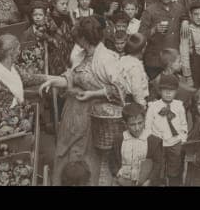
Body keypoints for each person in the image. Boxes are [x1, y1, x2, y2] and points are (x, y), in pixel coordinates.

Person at [41, 16, 128, 186]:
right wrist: (53, 81)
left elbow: (120, 90)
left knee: (86, 153)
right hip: (73, 112)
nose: (77, 42)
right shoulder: (81, 55)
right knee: (65, 149)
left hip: (93, 116)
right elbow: (72, 78)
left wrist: (92, 94)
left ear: (86, 38)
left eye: (79, 38)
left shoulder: (106, 59)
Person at [144, 72, 188, 186]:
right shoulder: (153, 106)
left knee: (174, 167)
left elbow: (183, 123)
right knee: (159, 167)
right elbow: (148, 125)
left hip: (175, 142)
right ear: (160, 90)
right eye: (165, 90)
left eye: (171, 90)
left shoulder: (179, 106)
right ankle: (159, 182)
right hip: (158, 143)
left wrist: (183, 138)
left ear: (176, 91)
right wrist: (151, 140)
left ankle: (173, 182)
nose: (168, 93)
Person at [140, 0, 187, 80]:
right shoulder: (150, 11)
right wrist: (154, 30)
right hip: (155, 60)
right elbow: (140, 36)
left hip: (173, 60)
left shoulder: (179, 8)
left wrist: (185, 21)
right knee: (156, 87)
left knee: (173, 86)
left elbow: (186, 17)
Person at [108, 102, 163, 186]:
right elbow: (112, 160)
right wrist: (118, 175)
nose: (137, 128)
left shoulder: (153, 141)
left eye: (140, 123)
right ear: (125, 124)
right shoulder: (119, 139)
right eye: (132, 124)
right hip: (123, 180)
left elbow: (157, 164)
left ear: (144, 120)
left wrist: (149, 180)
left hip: (145, 182)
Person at [119, 33, 150, 107]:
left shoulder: (123, 59)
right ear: (143, 49)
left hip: (124, 99)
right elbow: (137, 90)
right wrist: (143, 105)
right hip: (134, 103)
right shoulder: (135, 66)